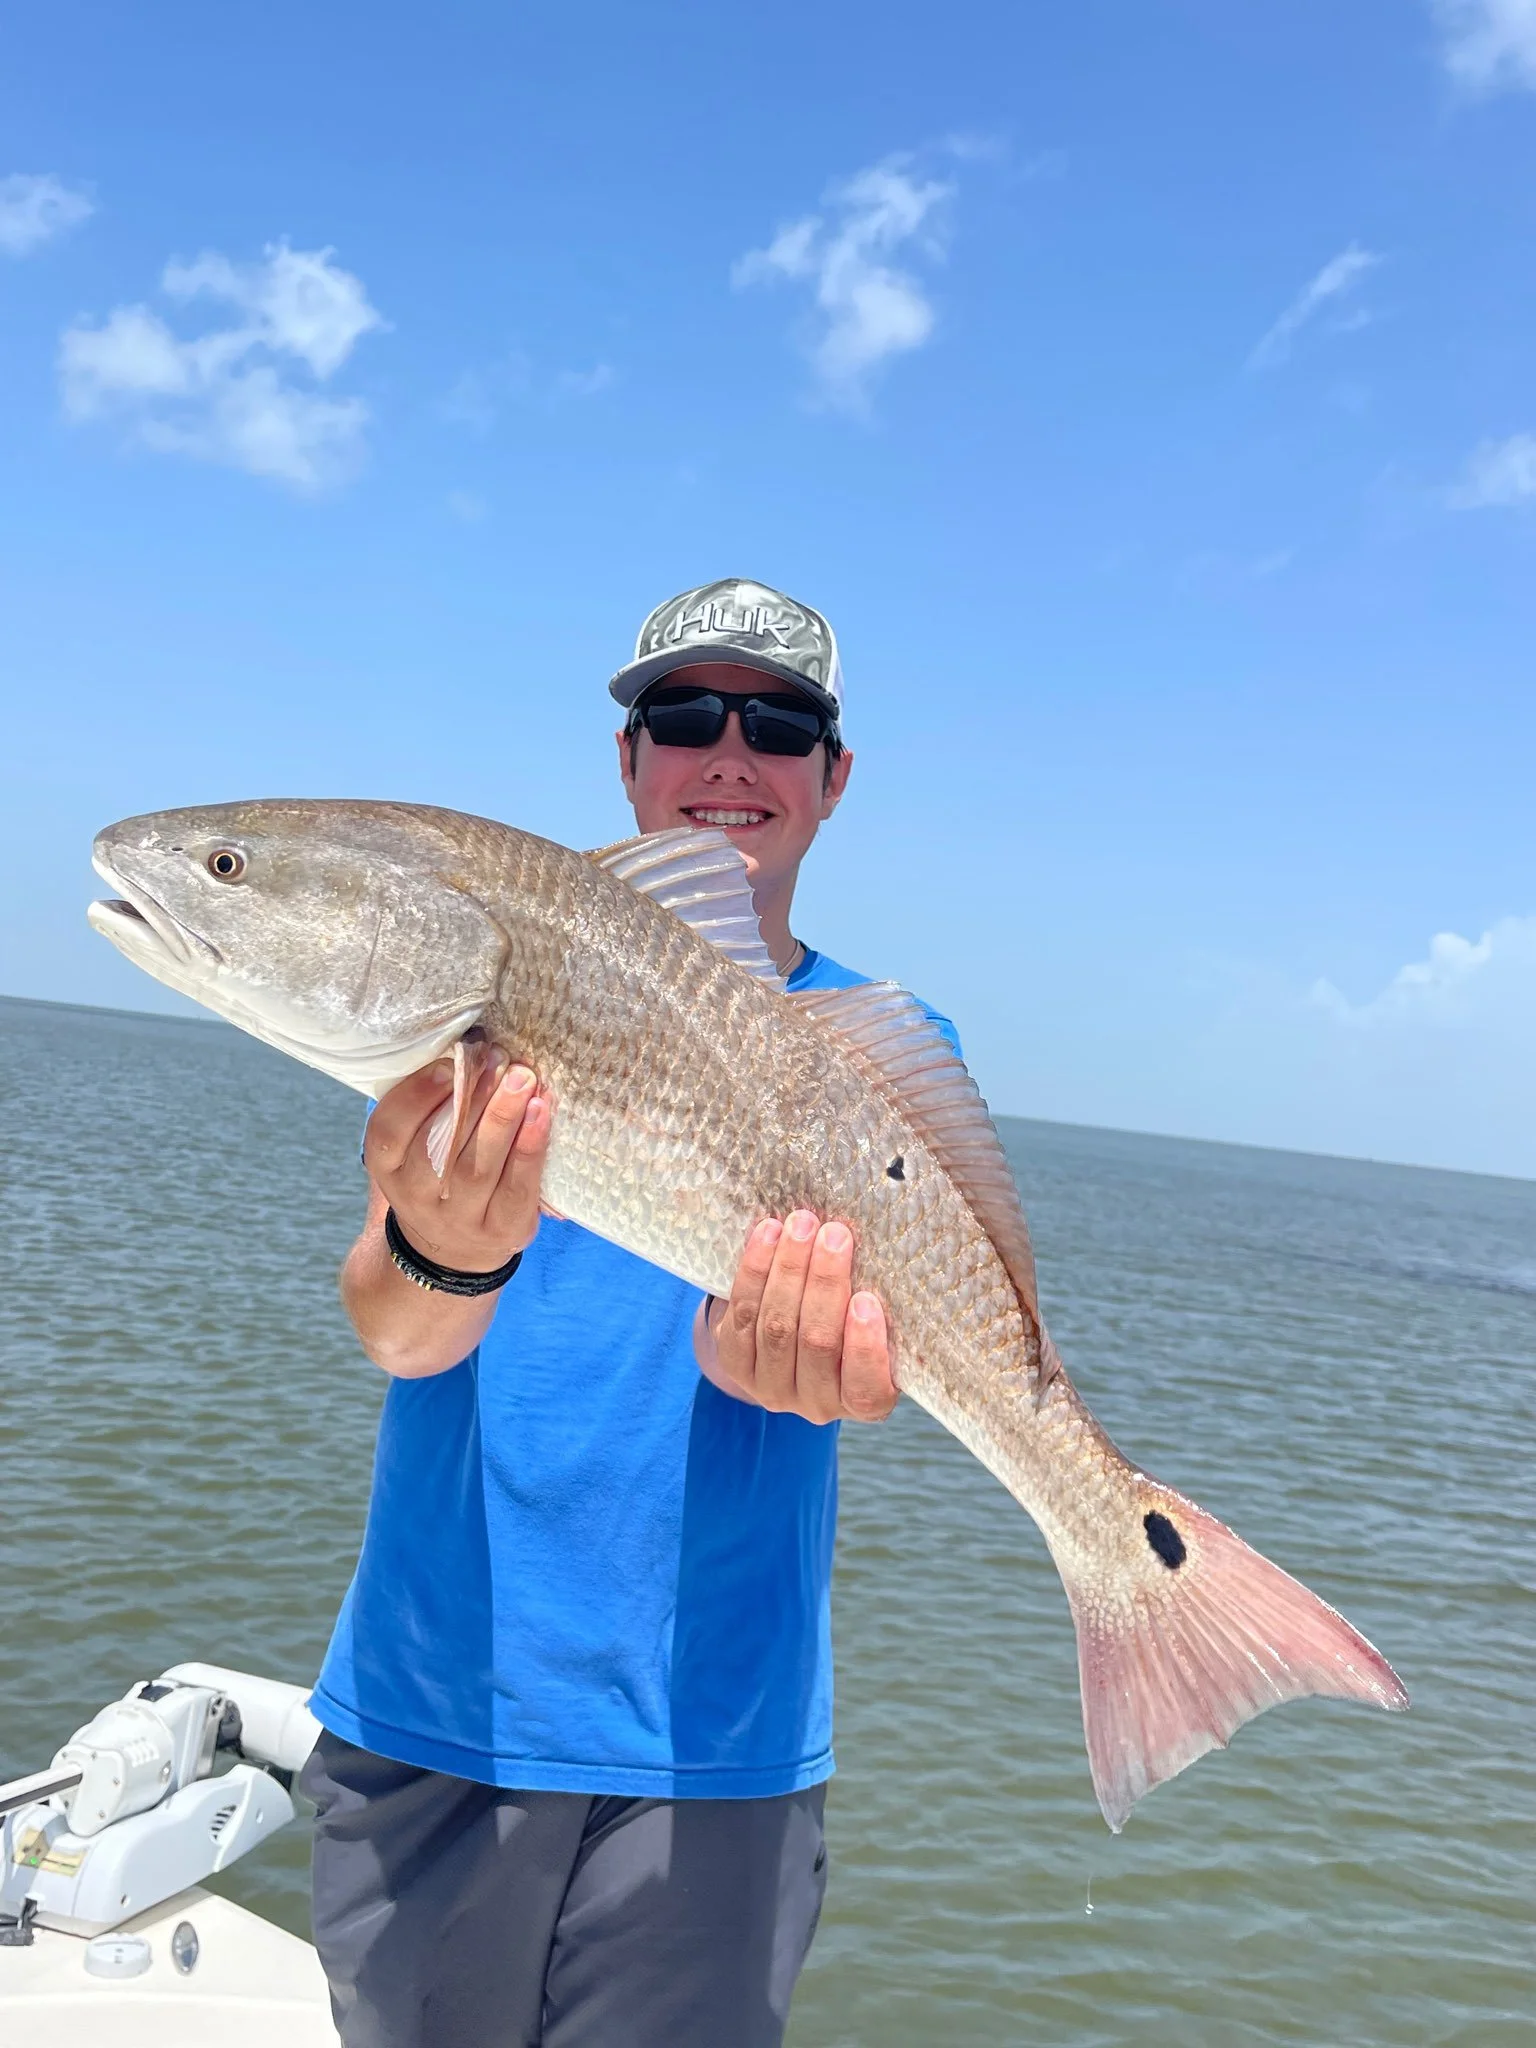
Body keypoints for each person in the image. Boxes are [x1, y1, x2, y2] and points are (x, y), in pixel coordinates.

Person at [301, 578, 959, 2048]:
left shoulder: (887, 1057)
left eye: (780, 723)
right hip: (437, 1704)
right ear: (628, 761)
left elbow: (877, 1373)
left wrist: (805, 1369)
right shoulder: (477, 996)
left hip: (713, 1747)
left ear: (834, 779)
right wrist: (444, 1252)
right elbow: (402, 1334)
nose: (730, 755)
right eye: (683, 715)